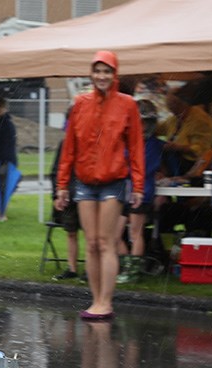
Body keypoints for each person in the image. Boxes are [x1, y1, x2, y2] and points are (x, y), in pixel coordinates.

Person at [55, 50, 144, 321]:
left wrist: (138, 185)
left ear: (114, 75)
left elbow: (136, 146)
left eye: (107, 71)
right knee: (91, 242)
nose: (101, 76)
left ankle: (106, 302)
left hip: (113, 182)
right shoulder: (80, 103)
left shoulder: (127, 104)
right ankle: (95, 299)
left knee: (106, 242)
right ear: (91, 74)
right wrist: (62, 185)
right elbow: (69, 148)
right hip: (84, 182)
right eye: (97, 71)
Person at [117, 99, 165, 284]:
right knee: (113, 235)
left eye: (143, 120)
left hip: (142, 191)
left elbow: (143, 168)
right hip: (125, 192)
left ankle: (133, 272)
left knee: (135, 233)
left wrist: (123, 164)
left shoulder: (153, 145)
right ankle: (127, 266)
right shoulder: (129, 141)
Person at [157, 87, 212, 179]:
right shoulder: (174, 118)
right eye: (171, 109)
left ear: (183, 104)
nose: (173, 113)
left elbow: (201, 149)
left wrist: (177, 147)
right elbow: (157, 129)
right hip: (173, 162)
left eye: (174, 108)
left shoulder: (200, 120)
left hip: (192, 164)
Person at [49, 113, 81, 281]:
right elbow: (56, 171)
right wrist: (57, 194)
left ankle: (91, 270)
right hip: (69, 194)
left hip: (85, 194)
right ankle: (72, 268)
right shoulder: (64, 145)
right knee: (71, 232)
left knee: (92, 236)